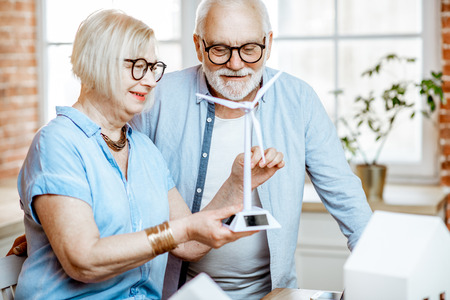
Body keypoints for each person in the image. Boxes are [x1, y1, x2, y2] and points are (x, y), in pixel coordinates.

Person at [13, 9, 285, 299]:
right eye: (137, 66)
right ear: (96, 63)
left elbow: (189, 245)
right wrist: (178, 231)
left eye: (153, 68)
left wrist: (237, 183)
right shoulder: (57, 144)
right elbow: (84, 261)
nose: (149, 80)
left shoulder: (144, 150)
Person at [130, 0, 373, 299]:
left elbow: (347, 197)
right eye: (219, 49)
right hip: (177, 293)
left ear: (268, 44)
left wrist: (375, 274)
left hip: (272, 293)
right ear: (198, 45)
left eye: (249, 49)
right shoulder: (158, 98)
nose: (236, 64)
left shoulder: (299, 100)